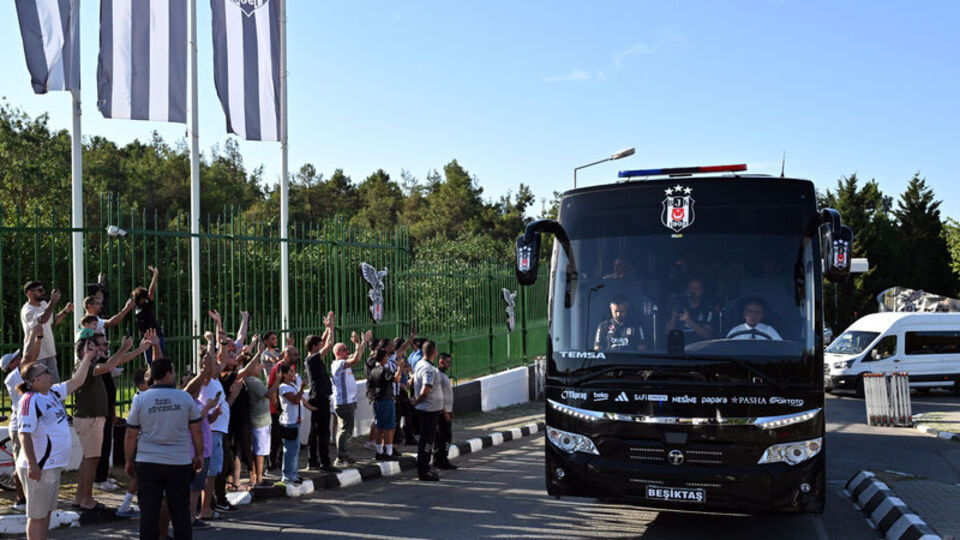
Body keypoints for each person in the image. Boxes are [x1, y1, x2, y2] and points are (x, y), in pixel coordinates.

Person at [16, 338, 96, 540]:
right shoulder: (30, 401)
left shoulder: (51, 392)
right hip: (39, 468)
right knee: (36, 516)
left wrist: (87, 357)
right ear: (34, 381)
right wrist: (33, 465)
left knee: (46, 514)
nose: (50, 373)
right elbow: (23, 434)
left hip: (52, 466)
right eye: (45, 372)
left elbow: (77, 381)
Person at [124, 357, 204, 540]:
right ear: (168, 374)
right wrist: (199, 454)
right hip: (179, 462)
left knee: (148, 514)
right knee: (181, 513)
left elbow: (131, 434)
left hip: (148, 462)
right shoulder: (184, 398)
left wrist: (129, 460)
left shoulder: (141, 399)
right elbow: (196, 430)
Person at [72, 334, 150, 512]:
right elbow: (110, 365)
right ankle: (87, 499)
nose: (98, 350)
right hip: (90, 418)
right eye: (91, 347)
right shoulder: (88, 366)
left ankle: (80, 497)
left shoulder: (91, 365)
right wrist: (124, 347)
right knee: (92, 460)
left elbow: (114, 362)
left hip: (92, 418)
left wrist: (137, 349)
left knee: (88, 459)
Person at [331, 330, 371, 467]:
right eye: (344, 350)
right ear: (337, 353)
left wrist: (363, 343)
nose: (347, 351)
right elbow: (357, 359)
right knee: (344, 430)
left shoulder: (344, 362)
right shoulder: (338, 365)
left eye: (348, 349)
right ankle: (340, 457)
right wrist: (359, 343)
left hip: (349, 401)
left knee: (347, 429)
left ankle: (344, 454)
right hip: (343, 403)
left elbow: (357, 355)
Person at [20, 281, 73, 383]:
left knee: (55, 387)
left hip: (50, 353)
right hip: (37, 356)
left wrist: (66, 311)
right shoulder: (27, 310)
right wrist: (52, 302)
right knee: (41, 387)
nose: (43, 292)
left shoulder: (44, 304)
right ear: (29, 293)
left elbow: (51, 322)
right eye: (39, 290)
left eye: (42, 290)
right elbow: (42, 319)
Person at [305, 312, 337, 471]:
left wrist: (326, 329)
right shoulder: (312, 359)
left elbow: (324, 341)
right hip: (319, 398)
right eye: (318, 344)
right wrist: (331, 327)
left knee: (316, 431)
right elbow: (329, 344)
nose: (321, 345)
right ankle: (324, 462)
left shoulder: (312, 358)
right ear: (314, 347)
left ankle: (313, 460)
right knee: (322, 432)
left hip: (318, 397)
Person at [244, 348, 280, 486]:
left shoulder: (248, 381)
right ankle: (259, 478)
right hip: (260, 421)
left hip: (255, 419)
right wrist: (276, 380)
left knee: (256, 451)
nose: (260, 367)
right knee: (260, 451)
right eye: (257, 365)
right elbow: (269, 394)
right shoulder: (254, 381)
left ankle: (254, 477)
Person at [277, 362, 315, 484]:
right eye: (290, 372)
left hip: (296, 420)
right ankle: (287, 475)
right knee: (289, 449)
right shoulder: (283, 387)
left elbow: (302, 400)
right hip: (289, 422)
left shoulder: (292, 385)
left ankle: (293, 474)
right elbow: (294, 400)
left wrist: (311, 407)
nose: (292, 374)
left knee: (295, 448)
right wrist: (301, 389)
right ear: (283, 374)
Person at [411, 340, 444, 481]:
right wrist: (417, 400)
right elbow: (426, 389)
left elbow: (413, 379)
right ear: (433, 352)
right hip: (428, 410)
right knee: (427, 442)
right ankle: (424, 470)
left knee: (428, 440)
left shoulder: (420, 364)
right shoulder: (428, 369)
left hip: (429, 409)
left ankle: (425, 468)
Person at [366, 348, 403, 461]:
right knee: (388, 427)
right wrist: (400, 367)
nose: (387, 358)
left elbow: (370, 387)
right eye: (386, 357)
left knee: (379, 427)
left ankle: (379, 451)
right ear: (383, 358)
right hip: (386, 400)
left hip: (377, 401)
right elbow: (396, 379)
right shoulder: (385, 370)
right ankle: (389, 451)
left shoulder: (373, 371)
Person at [665, 278, 717, 344]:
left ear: (702, 291)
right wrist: (673, 317)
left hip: (701, 349)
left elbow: (707, 334)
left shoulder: (708, 308)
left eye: (697, 288)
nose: (693, 291)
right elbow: (667, 333)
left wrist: (688, 321)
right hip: (680, 347)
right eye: (691, 288)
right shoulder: (679, 305)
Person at [132, 266, 164, 363]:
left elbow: (151, 291)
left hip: (156, 335)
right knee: (150, 363)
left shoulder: (147, 304)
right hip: (146, 337)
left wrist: (155, 275)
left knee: (160, 361)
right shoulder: (137, 308)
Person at [433, 353, 456, 470]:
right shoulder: (438, 375)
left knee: (444, 436)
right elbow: (438, 394)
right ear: (441, 362)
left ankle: (440, 459)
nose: (449, 365)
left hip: (447, 410)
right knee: (444, 436)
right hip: (442, 412)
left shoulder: (443, 375)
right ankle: (441, 459)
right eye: (447, 362)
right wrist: (445, 411)